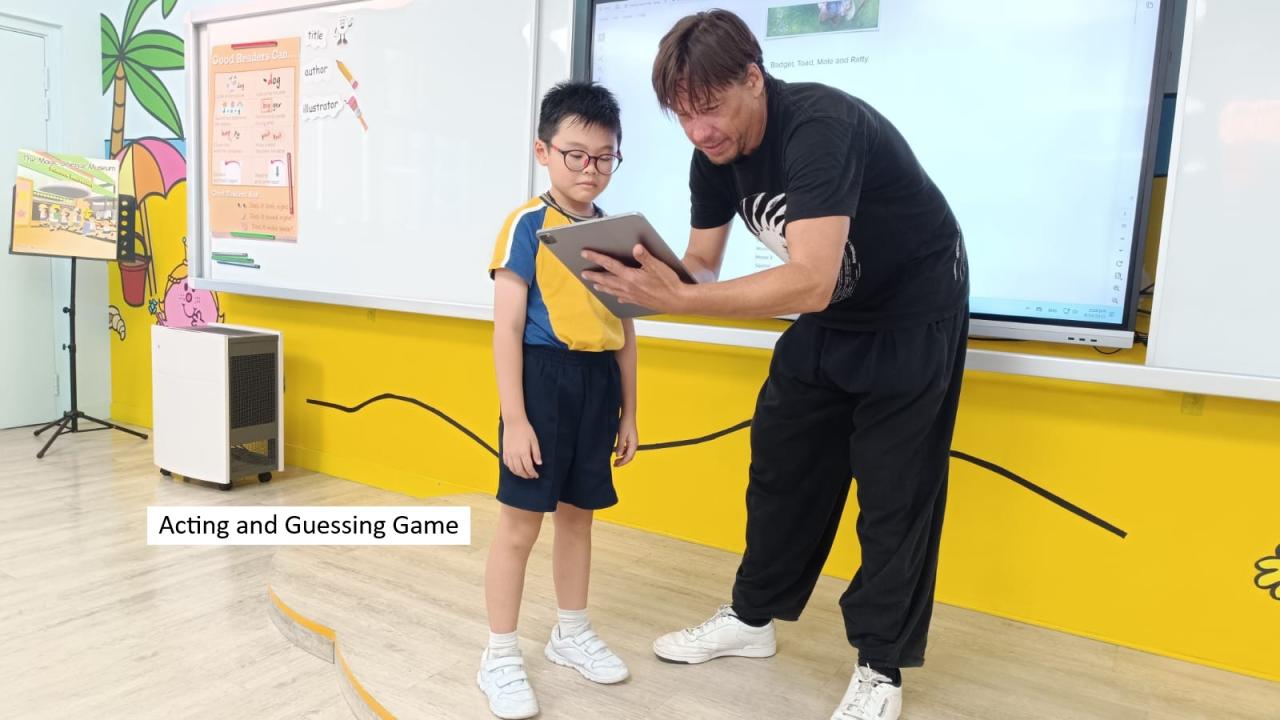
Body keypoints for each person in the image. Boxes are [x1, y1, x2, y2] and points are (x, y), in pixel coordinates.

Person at [581, 11, 969, 720]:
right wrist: (643, 276)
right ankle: (752, 619)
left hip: (912, 311)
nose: (699, 131)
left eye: (709, 108)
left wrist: (678, 299)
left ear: (754, 79)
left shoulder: (819, 127)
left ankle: (880, 666)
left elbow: (811, 279)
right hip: (831, 316)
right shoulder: (714, 157)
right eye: (682, 116)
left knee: (895, 494)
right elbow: (702, 265)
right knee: (781, 467)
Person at [479, 80, 638, 720]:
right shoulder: (526, 225)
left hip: (598, 385)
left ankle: (571, 632)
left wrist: (630, 412)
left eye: (604, 157)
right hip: (541, 381)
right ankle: (499, 653)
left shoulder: (618, 233)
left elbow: (626, 329)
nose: (589, 169)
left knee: (579, 518)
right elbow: (506, 330)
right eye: (575, 154)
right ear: (543, 151)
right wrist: (515, 419)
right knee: (521, 524)